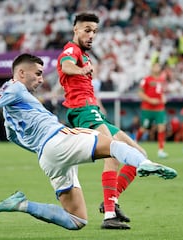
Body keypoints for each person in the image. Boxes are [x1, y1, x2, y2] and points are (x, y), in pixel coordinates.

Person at [0, 53, 177, 231]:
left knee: (77, 220)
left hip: (47, 158)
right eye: (37, 74)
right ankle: (144, 163)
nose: (40, 79)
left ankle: (22, 204)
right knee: (111, 144)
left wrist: (43, 146)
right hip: (57, 140)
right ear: (21, 73)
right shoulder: (15, 87)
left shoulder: (12, 115)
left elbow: (16, 139)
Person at [57, 12, 151, 229]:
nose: (91, 35)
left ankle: (111, 200)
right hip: (81, 110)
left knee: (138, 155)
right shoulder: (72, 50)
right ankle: (109, 216)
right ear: (76, 29)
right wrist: (81, 69)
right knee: (114, 150)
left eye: (95, 32)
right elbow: (66, 65)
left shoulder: (86, 56)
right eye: (87, 30)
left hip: (92, 110)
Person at [136, 62, 169, 158]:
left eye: (158, 66)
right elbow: (140, 93)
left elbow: (161, 92)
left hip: (159, 108)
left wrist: (163, 97)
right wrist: (150, 100)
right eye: (155, 66)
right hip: (147, 108)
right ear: (152, 68)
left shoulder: (162, 80)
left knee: (161, 127)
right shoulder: (146, 79)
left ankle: (161, 150)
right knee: (143, 128)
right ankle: (134, 143)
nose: (157, 68)